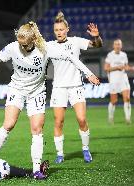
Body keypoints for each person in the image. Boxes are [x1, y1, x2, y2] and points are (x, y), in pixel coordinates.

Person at [0, 21, 100, 178]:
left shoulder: (45, 48)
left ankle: (36, 170)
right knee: (9, 124)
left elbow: (70, 57)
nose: (22, 47)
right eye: (20, 43)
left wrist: (88, 74)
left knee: (37, 129)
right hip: (17, 89)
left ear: (33, 40)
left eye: (25, 44)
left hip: (37, 92)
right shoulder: (14, 47)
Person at [47, 11, 102, 164]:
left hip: (76, 86)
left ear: (67, 29)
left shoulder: (76, 41)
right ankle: (60, 154)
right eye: (56, 30)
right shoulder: (49, 46)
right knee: (58, 122)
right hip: (58, 88)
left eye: (61, 29)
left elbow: (97, 45)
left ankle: (85, 149)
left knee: (82, 119)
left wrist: (96, 36)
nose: (59, 32)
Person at [104, 39, 134, 124]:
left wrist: (131, 68)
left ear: (121, 46)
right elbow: (106, 68)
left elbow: (125, 67)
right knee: (114, 101)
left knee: (127, 98)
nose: (118, 46)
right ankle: (110, 118)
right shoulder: (110, 55)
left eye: (119, 44)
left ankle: (128, 118)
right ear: (113, 46)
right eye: (116, 44)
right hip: (114, 80)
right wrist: (117, 67)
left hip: (123, 79)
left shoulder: (124, 55)